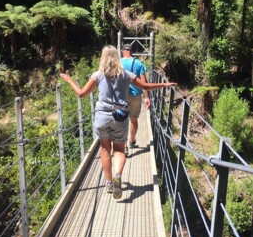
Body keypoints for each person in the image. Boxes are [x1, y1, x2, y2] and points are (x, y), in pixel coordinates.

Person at [59, 45, 176, 199]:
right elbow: (145, 86)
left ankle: (108, 183)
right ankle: (117, 175)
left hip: (102, 116)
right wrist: (164, 84)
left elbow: (81, 94)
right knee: (119, 150)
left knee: (105, 150)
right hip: (119, 116)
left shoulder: (97, 75)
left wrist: (69, 80)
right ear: (117, 57)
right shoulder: (126, 74)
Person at [120, 43, 149, 153]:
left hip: (121, 95)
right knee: (133, 120)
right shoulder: (138, 63)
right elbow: (144, 82)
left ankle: (124, 145)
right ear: (132, 52)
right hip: (136, 95)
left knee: (122, 120)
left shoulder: (118, 63)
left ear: (123, 51)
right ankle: (131, 141)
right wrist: (147, 97)